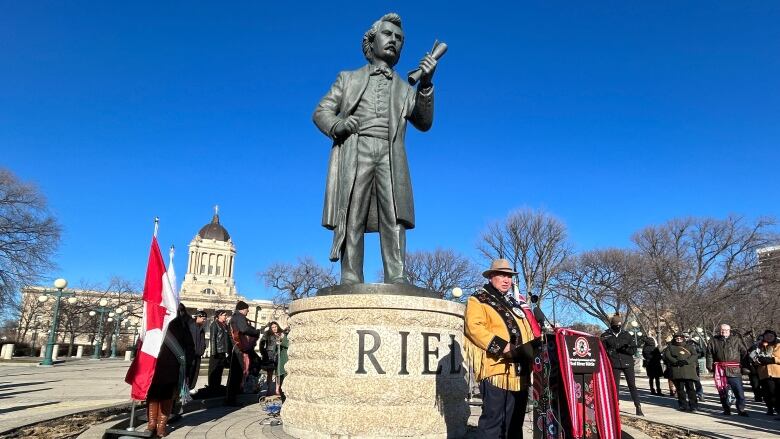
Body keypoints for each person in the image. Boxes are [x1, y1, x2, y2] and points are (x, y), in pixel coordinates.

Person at [313, 13, 438, 285]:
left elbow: (424, 122)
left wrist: (426, 84)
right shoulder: (348, 78)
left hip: (391, 154)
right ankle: (350, 275)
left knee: (394, 215)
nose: (394, 40)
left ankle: (396, 274)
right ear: (372, 40)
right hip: (356, 148)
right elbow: (321, 111)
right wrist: (339, 125)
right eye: (388, 34)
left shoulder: (406, 88)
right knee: (353, 211)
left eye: (399, 38)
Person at [464, 259, 539, 438]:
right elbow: (474, 327)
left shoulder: (514, 303)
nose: (507, 280)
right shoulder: (478, 299)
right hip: (496, 368)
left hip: (519, 369)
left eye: (509, 276)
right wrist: (502, 346)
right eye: (502, 275)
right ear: (491, 277)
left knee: (516, 420)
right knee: (494, 420)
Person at [145, 304, 195, 437]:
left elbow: (190, 347)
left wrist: (187, 365)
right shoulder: (158, 322)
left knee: (167, 396)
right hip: (155, 364)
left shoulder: (182, 325)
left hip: (173, 366)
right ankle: (151, 423)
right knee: (153, 394)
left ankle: (161, 426)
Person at [601, 314, 643, 416]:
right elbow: (602, 350)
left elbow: (633, 349)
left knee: (632, 385)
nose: (618, 327)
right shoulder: (605, 336)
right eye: (615, 325)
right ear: (611, 325)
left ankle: (638, 407)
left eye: (619, 325)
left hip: (627, 362)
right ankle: (615, 406)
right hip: (614, 363)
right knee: (615, 387)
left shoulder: (626, 335)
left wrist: (625, 349)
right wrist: (609, 353)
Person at [706, 323, 748, 416]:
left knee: (739, 391)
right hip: (720, 370)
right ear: (719, 330)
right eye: (722, 330)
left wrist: (745, 367)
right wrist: (709, 366)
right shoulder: (713, 341)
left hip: (734, 370)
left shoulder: (736, 340)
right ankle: (726, 409)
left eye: (726, 330)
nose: (724, 331)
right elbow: (709, 354)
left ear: (729, 330)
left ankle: (741, 409)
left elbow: (744, 353)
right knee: (722, 391)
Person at [225, 300, 261, 406]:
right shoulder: (239, 317)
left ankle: (230, 398)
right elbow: (244, 329)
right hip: (238, 348)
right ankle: (231, 400)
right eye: (247, 310)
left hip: (235, 347)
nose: (248, 311)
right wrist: (256, 331)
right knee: (236, 373)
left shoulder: (234, 317)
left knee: (234, 374)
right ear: (242, 309)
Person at [664, 333, 699, 412]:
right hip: (677, 370)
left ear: (683, 338)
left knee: (690, 389)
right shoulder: (670, 347)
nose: (678, 339)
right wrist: (676, 362)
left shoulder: (689, 346)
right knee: (680, 389)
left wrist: (687, 361)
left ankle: (693, 405)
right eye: (677, 338)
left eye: (680, 338)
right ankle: (683, 405)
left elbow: (694, 355)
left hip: (688, 371)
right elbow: (667, 356)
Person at [754, 329, 780, 416]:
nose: (769, 338)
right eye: (766, 336)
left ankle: (778, 409)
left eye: (771, 336)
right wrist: (758, 361)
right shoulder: (759, 346)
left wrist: (772, 359)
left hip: (777, 373)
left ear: (774, 337)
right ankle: (769, 408)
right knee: (767, 392)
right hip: (764, 373)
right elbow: (753, 358)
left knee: (776, 393)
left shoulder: (778, 345)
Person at [207, 310, 232, 394]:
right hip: (217, 352)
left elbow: (227, 339)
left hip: (223, 352)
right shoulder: (214, 324)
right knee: (214, 370)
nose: (226, 316)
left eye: (226, 315)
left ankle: (217, 387)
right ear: (219, 316)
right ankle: (212, 388)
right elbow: (213, 338)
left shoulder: (225, 325)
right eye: (224, 315)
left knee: (219, 370)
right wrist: (213, 352)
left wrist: (228, 351)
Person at [260, 321, 283, 397]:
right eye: (273, 327)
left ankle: (277, 389)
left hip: (279, 354)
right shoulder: (267, 333)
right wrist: (263, 353)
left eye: (275, 327)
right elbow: (261, 343)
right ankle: (269, 389)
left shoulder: (281, 333)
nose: (274, 328)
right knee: (269, 373)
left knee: (278, 373)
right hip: (269, 355)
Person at [187, 309, 207, 390]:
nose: (204, 321)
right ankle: (185, 391)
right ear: (198, 317)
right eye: (203, 318)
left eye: (205, 319)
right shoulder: (190, 326)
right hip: (190, 355)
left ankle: (190, 389)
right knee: (189, 373)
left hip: (198, 355)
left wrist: (202, 349)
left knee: (195, 374)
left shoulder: (201, 328)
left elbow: (203, 341)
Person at [684, 333, 705, 401]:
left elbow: (701, 353)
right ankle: (690, 395)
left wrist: (693, 356)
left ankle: (700, 394)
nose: (685, 338)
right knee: (687, 381)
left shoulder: (695, 344)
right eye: (684, 337)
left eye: (686, 337)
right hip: (685, 365)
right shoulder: (681, 345)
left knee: (697, 380)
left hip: (694, 364)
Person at [276, 327, 290, 402]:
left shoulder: (288, 336)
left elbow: (288, 344)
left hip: (286, 365)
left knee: (285, 386)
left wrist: (283, 338)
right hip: (281, 365)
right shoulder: (280, 337)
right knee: (281, 386)